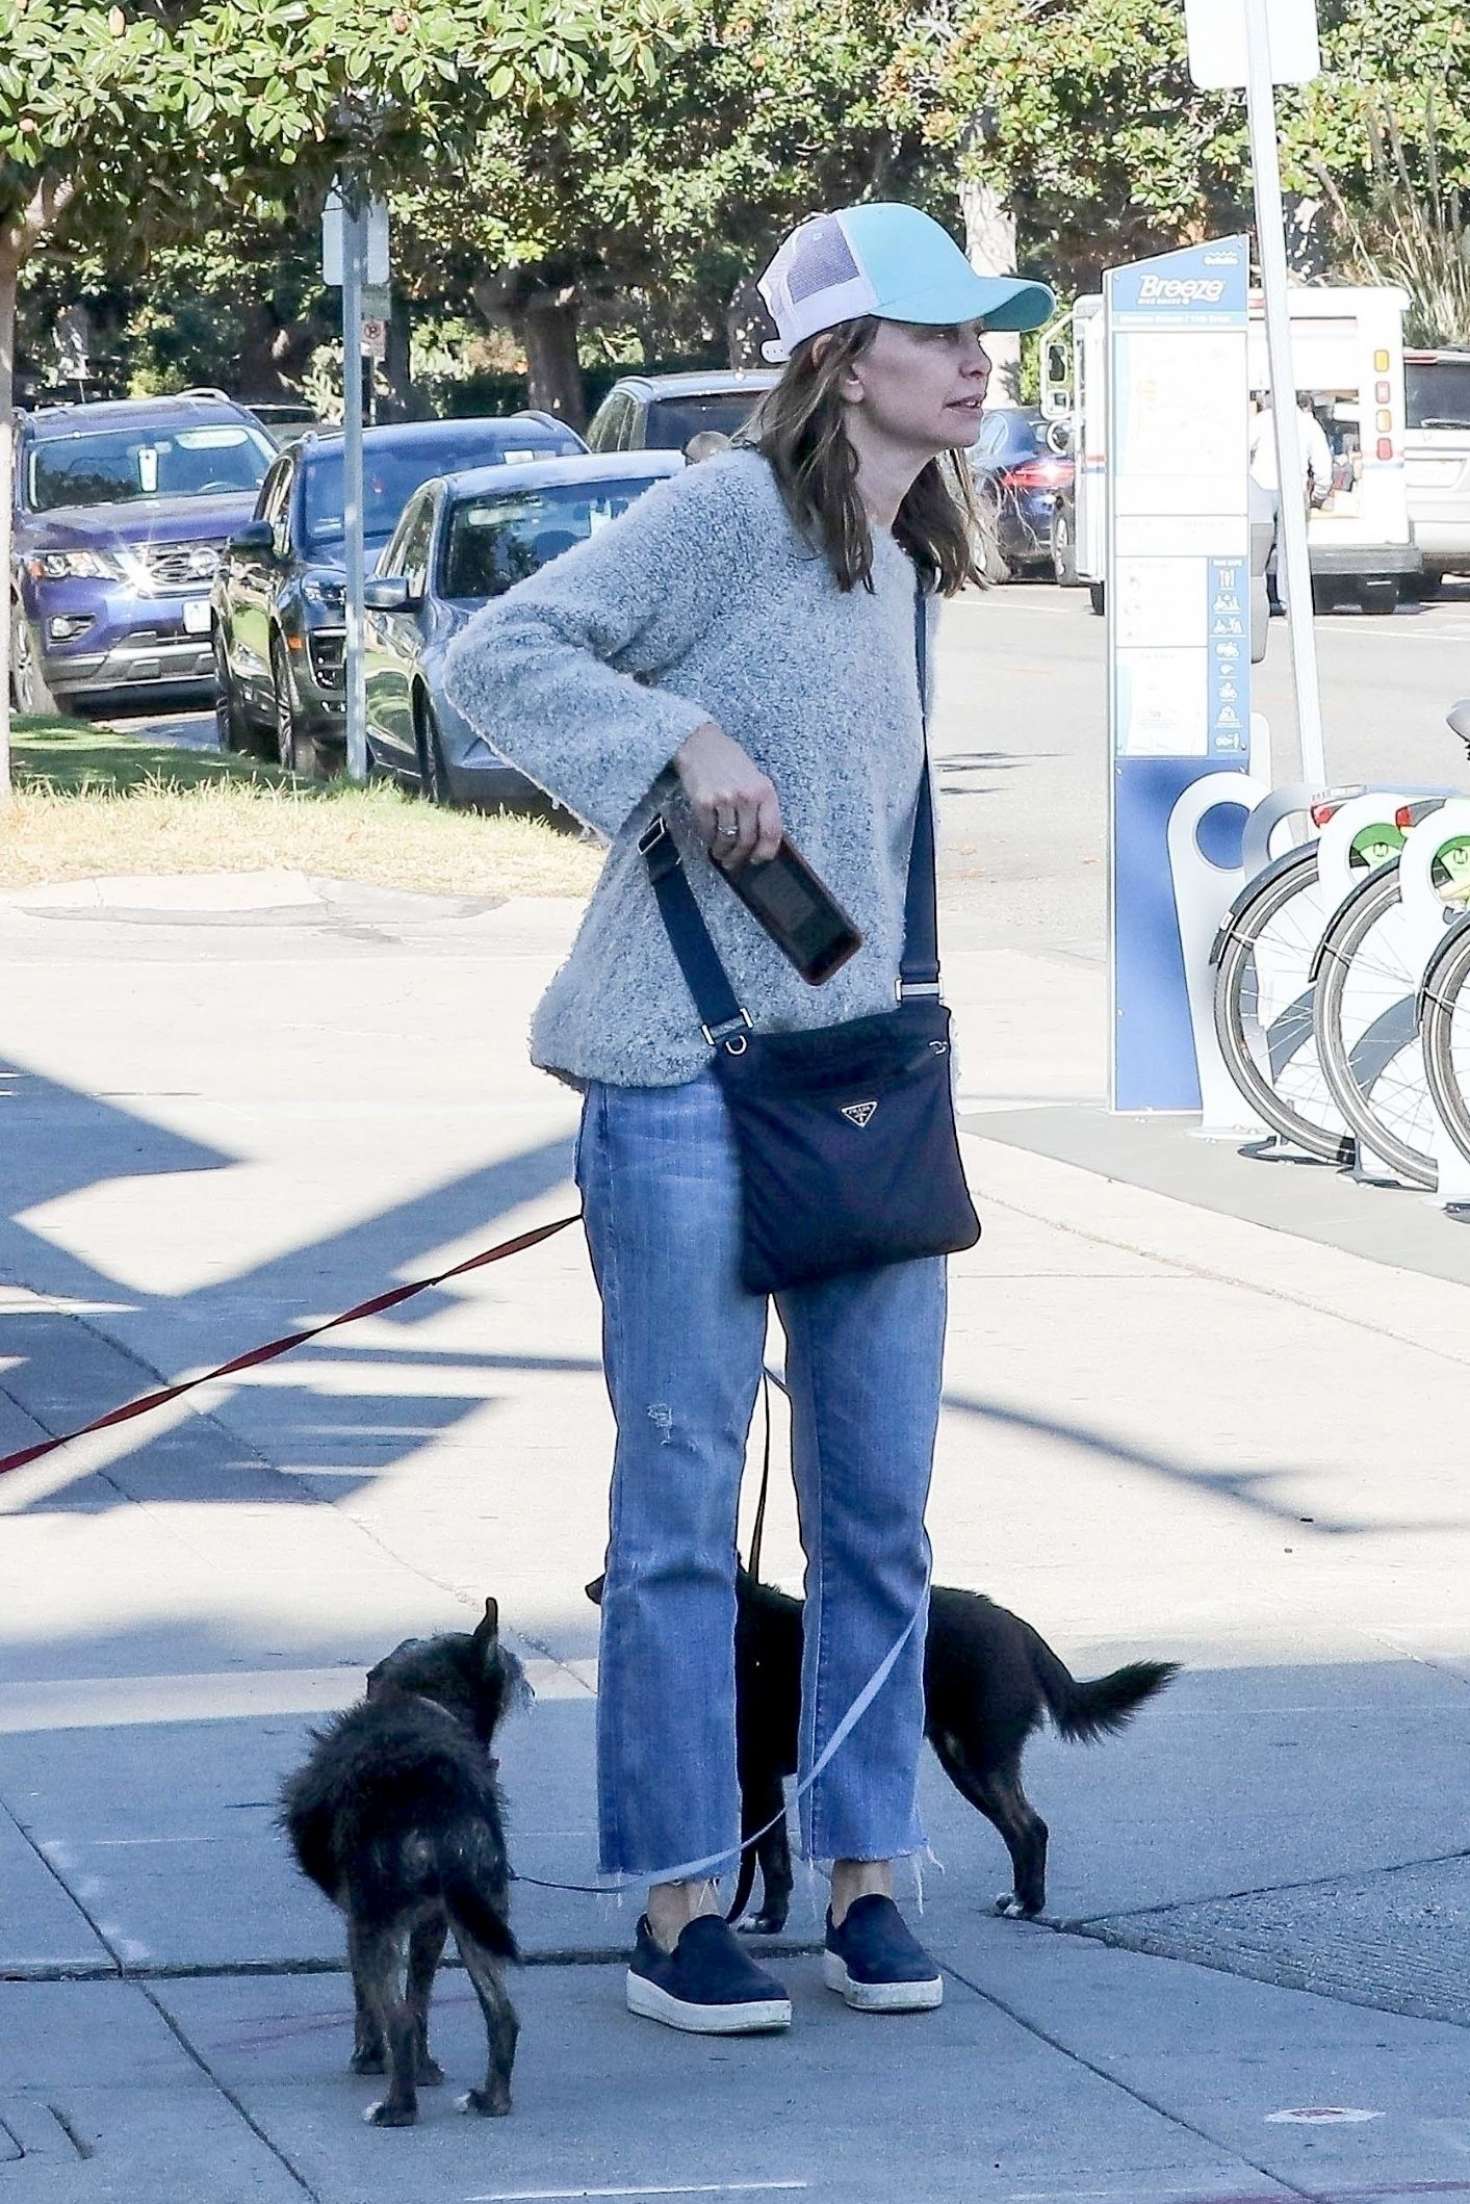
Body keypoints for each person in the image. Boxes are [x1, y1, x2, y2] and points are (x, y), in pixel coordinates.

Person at [443, 203, 1053, 2037]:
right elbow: (492, 651)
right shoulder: (724, 512)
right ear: (838, 357)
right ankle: (681, 1897)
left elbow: (874, 847)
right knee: (684, 1510)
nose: (977, 357)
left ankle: (867, 1873)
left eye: (984, 333)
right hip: (678, 1084)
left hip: (854, 1087)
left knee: (880, 1514)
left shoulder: (909, 558)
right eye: (939, 330)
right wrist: (674, 742)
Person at [1249, 390, 1335, 612]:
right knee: (1291, 552)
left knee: (1256, 551)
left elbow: (1241, 449)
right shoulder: (1309, 424)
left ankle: (1253, 601)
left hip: (1260, 489)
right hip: (1293, 492)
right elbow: (1323, 467)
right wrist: (1318, 495)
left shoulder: (1262, 420)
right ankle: (1291, 605)